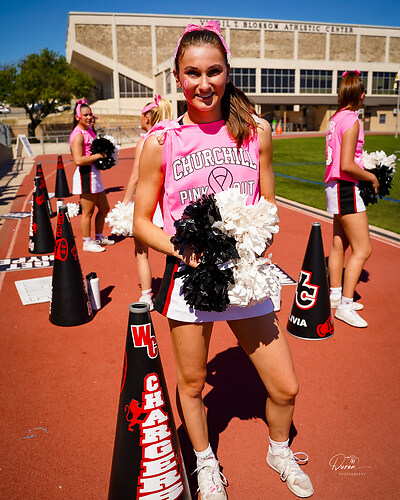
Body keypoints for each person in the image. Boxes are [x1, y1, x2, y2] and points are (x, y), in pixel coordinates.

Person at [132, 21, 314, 499]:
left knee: (286, 387)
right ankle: (205, 461)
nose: (204, 83)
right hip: (190, 280)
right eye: (192, 73)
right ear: (178, 77)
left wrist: (257, 238)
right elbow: (141, 222)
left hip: (245, 278)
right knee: (192, 385)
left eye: (213, 71)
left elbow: (269, 205)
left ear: (228, 73)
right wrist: (186, 251)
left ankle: (279, 450)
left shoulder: (257, 132)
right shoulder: (161, 141)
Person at [325, 71, 379, 328]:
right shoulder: (351, 120)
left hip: (334, 186)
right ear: (361, 94)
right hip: (345, 186)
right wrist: (371, 176)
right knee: (363, 249)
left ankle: (336, 294)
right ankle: (345, 305)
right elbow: (347, 164)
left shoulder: (335, 118)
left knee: (340, 243)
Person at [123, 95, 173, 308]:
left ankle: (146, 295)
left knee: (141, 252)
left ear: (147, 118)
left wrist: (125, 205)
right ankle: (174, 292)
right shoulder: (172, 135)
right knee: (173, 250)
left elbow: (136, 177)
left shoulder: (145, 141)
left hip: (148, 205)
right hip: (168, 204)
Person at [70, 99, 115, 253]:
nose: (89, 117)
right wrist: (99, 156)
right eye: (85, 115)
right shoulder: (78, 135)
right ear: (77, 117)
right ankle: (86, 242)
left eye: (90, 114)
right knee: (88, 212)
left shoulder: (89, 130)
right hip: (86, 175)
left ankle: (99, 237)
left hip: (94, 174)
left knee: (104, 208)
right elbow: (77, 160)